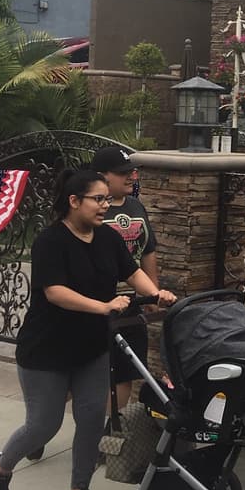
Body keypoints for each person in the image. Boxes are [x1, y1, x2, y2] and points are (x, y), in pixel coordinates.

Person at [0, 169, 174, 490]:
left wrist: (155, 293)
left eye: (106, 198)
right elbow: (55, 292)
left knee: (89, 420)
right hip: (46, 351)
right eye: (98, 199)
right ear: (74, 201)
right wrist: (102, 306)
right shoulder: (50, 242)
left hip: (91, 348)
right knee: (43, 424)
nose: (105, 205)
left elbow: (132, 273)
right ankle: (2, 468)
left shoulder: (107, 239)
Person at [89, 146, 160, 410]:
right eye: (122, 173)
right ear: (100, 176)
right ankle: (43, 419)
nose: (131, 176)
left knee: (125, 372)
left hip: (130, 304)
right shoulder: (90, 211)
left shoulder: (136, 207)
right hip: (95, 304)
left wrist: (152, 292)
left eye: (132, 171)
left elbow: (148, 251)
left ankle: (108, 435)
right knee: (85, 374)